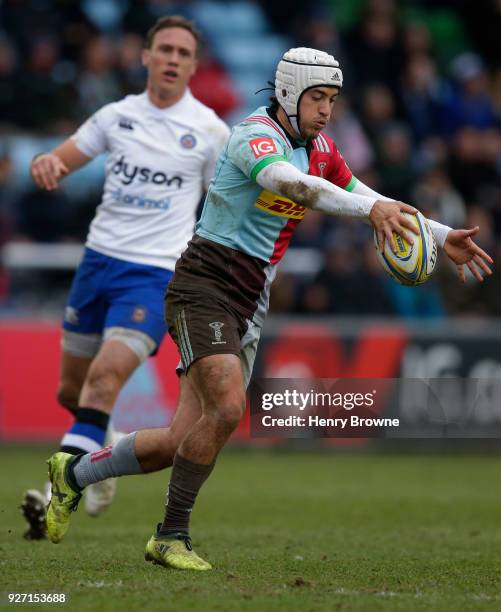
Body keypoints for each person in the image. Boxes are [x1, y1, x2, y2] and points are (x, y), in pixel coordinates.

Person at [44, 48, 492, 569]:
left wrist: (437, 234)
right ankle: (170, 536)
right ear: (287, 93)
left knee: (174, 440)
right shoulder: (253, 136)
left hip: (251, 297)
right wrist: (371, 209)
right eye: (317, 97)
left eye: (333, 99)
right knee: (230, 406)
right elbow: (292, 185)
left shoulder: (322, 149)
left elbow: (362, 192)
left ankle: (71, 474)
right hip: (202, 284)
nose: (327, 109)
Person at [20, 15, 230, 540]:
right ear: (145, 56)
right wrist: (47, 163)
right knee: (73, 390)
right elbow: (63, 157)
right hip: (96, 266)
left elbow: (225, 205)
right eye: (165, 49)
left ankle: (57, 493)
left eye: (183, 52)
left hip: (155, 274)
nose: (173, 59)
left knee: (103, 377)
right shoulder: (117, 116)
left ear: (193, 65)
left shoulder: (208, 131)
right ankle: (100, 451)